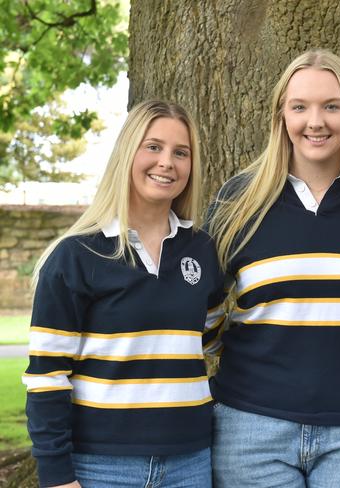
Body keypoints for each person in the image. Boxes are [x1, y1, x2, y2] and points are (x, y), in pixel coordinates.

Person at [207, 49, 340, 487]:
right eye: (300, 107)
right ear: (281, 115)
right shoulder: (237, 203)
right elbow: (204, 310)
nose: (315, 121)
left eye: (331, 106)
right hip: (250, 427)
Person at [22, 100, 225, 488]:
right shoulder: (77, 256)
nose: (167, 162)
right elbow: (47, 378)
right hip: (100, 467)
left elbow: (213, 341)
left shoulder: (202, 251)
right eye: (153, 147)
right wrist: (57, 477)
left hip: (190, 462)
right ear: (126, 153)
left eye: (180, 152)